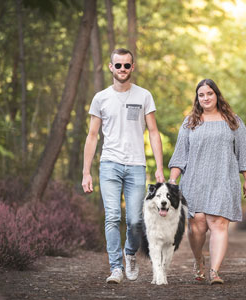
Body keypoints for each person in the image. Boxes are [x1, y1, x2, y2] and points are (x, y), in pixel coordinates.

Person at [82, 48, 165, 284]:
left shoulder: (144, 96)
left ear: (132, 67)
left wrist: (159, 167)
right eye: (117, 65)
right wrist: (86, 172)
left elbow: (154, 132)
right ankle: (116, 268)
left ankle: (130, 254)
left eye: (126, 65)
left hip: (137, 165)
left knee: (135, 220)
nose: (122, 69)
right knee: (112, 216)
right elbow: (92, 136)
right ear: (111, 67)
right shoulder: (100, 98)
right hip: (109, 164)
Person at [168, 78, 246, 285]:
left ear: (217, 95)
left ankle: (214, 271)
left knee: (218, 223)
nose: (206, 98)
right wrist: (172, 180)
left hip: (224, 179)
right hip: (195, 180)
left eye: (209, 94)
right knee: (197, 225)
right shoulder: (190, 122)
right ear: (197, 99)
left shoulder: (233, 121)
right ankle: (199, 261)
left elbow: (244, 152)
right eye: (201, 95)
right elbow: (180, 154)